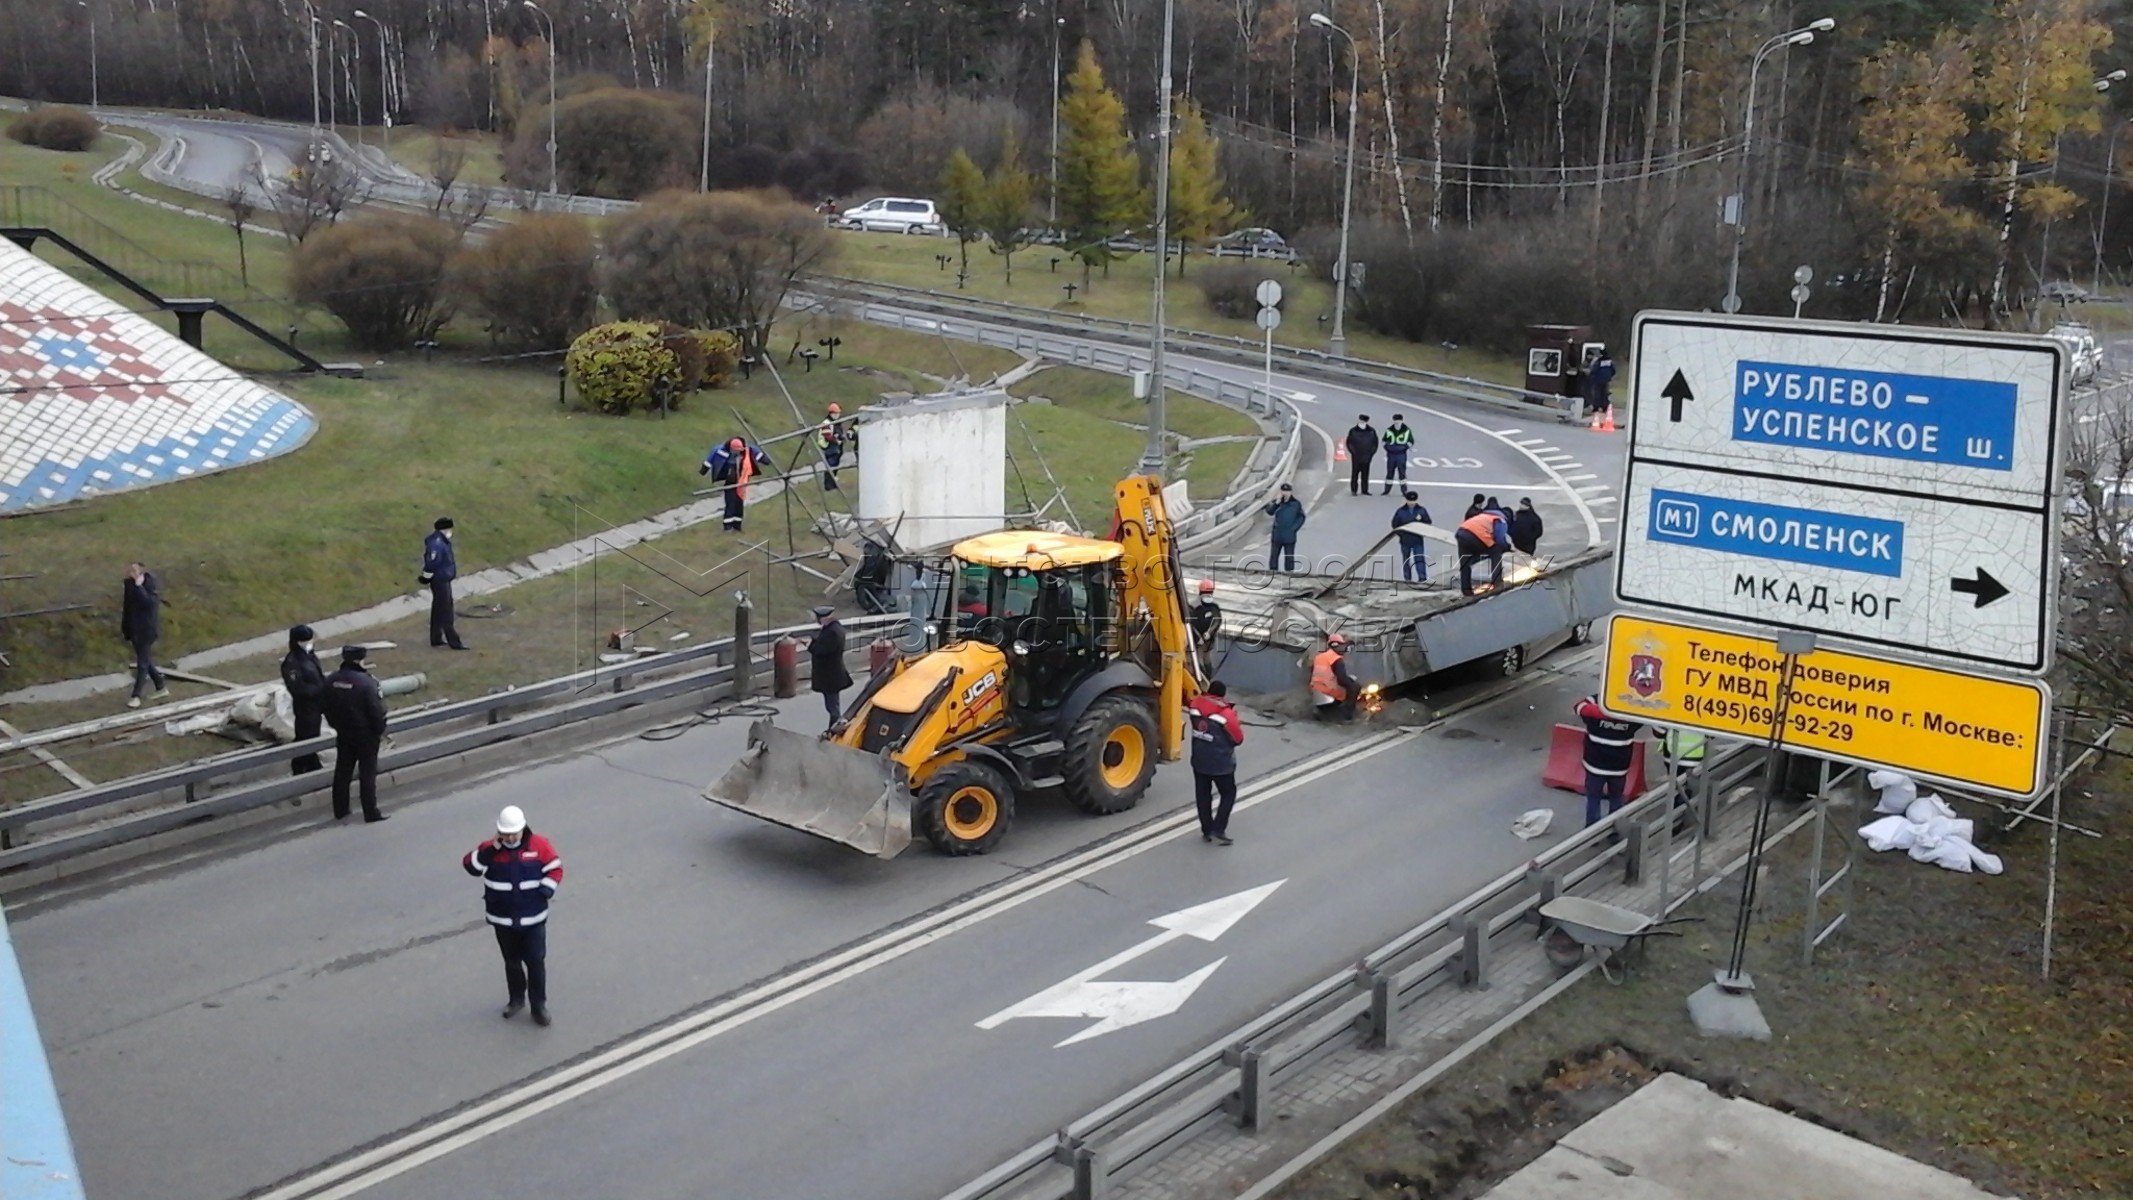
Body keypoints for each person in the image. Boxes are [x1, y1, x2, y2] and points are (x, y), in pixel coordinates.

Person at [464, 805, 563, 1027]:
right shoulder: (490, 849)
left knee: (536, 962)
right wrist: (491, 850)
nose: (509, 838)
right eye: (505, 834)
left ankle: (539, 1006)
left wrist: (545, 891)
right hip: (503, 919)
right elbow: (470, 866)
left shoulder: (540, 845)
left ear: (522, 829)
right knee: (512, 962)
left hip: (533, 919)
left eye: (513, 833)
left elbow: (555, 869)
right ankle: (516, 999)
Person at [321, 645, 389, 823]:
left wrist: (336, 725)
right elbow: (377, 710)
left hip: (343, 732)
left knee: (343, 771)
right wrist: (379, 729)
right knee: (367, 773)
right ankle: (370, 811)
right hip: (366, 734)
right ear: (360, 659)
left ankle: (341, 809)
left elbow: (325, 706)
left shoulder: (331, 680)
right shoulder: (367, 682)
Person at [1187, 680, 1243, 845]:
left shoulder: (1195, 706)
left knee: (1203, 796)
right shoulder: (1225, 714)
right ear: (1222, 695)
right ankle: (1218, 828)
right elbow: (1238, 738)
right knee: (1228, 793)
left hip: (1199, 760)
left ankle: (1206, 830)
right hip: (1221, 764)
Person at [1576, 695, 1644, 827]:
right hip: (1619, 768)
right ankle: (1615, 832)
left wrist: (1601, 697)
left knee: (1593, 799)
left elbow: (1579, 707)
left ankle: (1592, 833)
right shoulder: (1631, 718)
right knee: (1616, 800)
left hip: (1594, 766)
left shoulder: (1593, 717)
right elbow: (1644, 714)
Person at [119, 561, 170, 710]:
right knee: (145, 660)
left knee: (142, 663)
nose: (131, 572)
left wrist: (139, 586)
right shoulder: (129, 585)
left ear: (141, 571)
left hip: (146, 630)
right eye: (130, 570)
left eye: (135, 570)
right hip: (134, 629)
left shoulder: (149, 585)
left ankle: (136, 696)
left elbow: (149, 604)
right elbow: (127, 609)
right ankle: (161, 687)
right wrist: (125, 629)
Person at [280, 623, 327, 775]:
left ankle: (312, 764)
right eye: (306, 640)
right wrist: (320, 689)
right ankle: (300, 767)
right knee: (306, 736)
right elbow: (298, 688)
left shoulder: (309, 657)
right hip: (305, 706)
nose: (309, 643)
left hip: (316, 703)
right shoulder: (292, 663)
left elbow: (318, 676)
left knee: (314, 735)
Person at [701, 436, 774, 533]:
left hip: (741, 479)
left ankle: (737, 525)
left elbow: (758, 455)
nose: (737, 453)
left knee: (739, 502)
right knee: (730, 501)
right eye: (735, 451)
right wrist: (704, 470)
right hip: (729, 478)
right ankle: (727, 526)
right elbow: (709, 460)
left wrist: (766, 461)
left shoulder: (747, 449)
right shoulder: (719, 450)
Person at [419, 518, 467, 651]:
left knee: (438, 609)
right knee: (446, 610)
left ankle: (436, 638)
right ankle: (454, 641)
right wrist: (426, 576)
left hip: (441, 578)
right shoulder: (438, 543)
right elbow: (432, 562)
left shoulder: (438, 541)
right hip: (440, 579)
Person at [808, 605, 853, 731]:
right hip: (832, 675)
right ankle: (834, 726)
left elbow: (823, 650)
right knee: (832, 702)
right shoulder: (834, 629)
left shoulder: (832, 632)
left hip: (830, 675)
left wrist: (811, 646)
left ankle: (836, 727)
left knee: (832, 705)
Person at [1455, 507, 1509, 595]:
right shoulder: (1500, 520)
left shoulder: (1483, 516)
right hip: (1476, 535)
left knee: (1465, 564)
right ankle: (1497, 581)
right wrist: (1507, 547)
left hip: (1461, 533)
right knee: (1496, 551)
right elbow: (1499, 540)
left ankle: (1466, 591)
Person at [1310, 633, 1358, 722]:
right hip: (1329, 689)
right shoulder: (1336, 659)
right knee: (1354, 687)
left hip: (1315, 687)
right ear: (1338, 645)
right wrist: (1351, 682)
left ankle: (1322, 710)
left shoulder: (1319, 657)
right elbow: (1341, 679)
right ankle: (1347, 716)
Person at [1391, 492, 1432, 583]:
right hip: (1405, 540)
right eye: (1410, 501)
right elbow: (1395, 524)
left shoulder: (1421, 510)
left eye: (1413, 501)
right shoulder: (1400, 511)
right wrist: (1401, 534)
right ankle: (1407, 577)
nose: (1411, 503)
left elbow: (1428, 522)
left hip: (1417, 539)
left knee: (1419, 558)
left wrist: (1422, 530)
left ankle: (1422, 577)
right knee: (1406, 559)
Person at [1264, 483, 1306, 573]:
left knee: (1289, 557)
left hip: (1289, 536)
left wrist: (1294, 528)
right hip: (1277, 535)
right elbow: (1270, 511)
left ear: (1290, 492)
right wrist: (1276, 503)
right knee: (1274, 556)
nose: (1285, 493)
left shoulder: (1296, 504)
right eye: (1283, 491)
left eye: (1287, 491)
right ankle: (1273, 573)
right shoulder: (1278, 503)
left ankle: (1289, 574)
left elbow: (1301, 517)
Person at [1343, 415, 1379, 496]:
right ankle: (1354, 490)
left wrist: (1371, 453)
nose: (1362, 422)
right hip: (1356, 456)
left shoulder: (1371, 431)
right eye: (1361, 421)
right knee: (1355, 474)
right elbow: (1349, 443)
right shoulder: (1353, 431)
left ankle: (1365, 490)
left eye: (1364, 421)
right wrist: (1353, 452)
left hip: (1367, 456)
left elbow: (1375, 444)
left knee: (1365, 474)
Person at [1379, 414, 1414, 494]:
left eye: (1398, 420)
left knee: (1402, 473)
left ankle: (1404, 490)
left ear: (1402, 421)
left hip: (1401, 455)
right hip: (1391, 455)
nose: (1397, 422)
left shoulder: (1406, 430)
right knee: (1389, 473)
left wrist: (1404, 448)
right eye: (1395, 420)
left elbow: (1411, 441)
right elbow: (1384, 441)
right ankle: (1387, 490)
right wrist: (1388, 448)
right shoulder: (1389, 430)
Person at [817, 403, 846, 491]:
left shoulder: (836, 422)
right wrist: (836, 440)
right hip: (829, 446)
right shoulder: (827, 423)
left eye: (838, 413)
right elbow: (827, 436)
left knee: (836, 464)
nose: (837, 415)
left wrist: (841, 438)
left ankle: (833, 483)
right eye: (835, 413)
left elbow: (839, 432)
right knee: (831, 464)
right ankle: (828, 485)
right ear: (831, 413)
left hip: (836, 445)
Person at [1584, 348, 1617, 420]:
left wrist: (1591, 375)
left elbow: (1594, 370)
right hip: (1606, 380)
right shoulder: (1610, 361)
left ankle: (1596, 407)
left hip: (1598, 379)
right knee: (1604, 393)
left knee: (1597, 394)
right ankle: (1605, 407)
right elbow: (1614, 370)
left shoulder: (1599, 361)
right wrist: (1609, 376)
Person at [1189, 579, 1222, 645]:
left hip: (1203, 642)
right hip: (1197, 642)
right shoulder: (1214, 606)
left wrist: (1209, 633)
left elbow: (1217, 621)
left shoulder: (1191, 605)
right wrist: (1199, 637)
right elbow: (1189, 624)